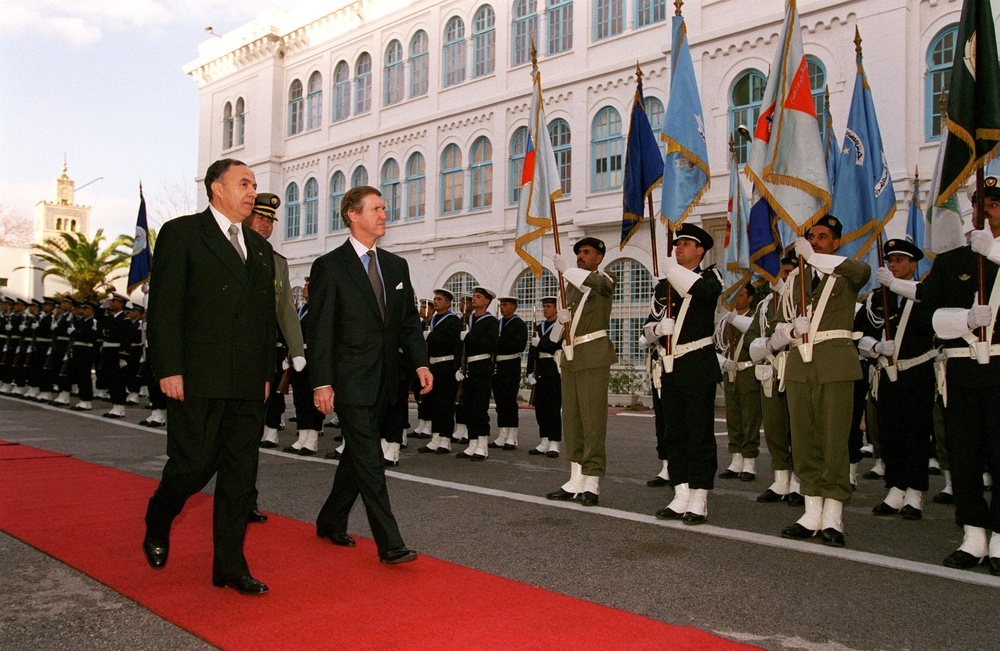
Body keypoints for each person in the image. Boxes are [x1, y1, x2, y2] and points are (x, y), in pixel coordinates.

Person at [142, 158, 276, 596]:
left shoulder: (258, 249)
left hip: (244, 382)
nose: (251, 191)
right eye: (243, 183)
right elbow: (165, 307)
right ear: (216, 188)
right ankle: (159, 519)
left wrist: (265, 374)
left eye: (254, 184)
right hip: (197, 376)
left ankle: (230, 566)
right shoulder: (183, 234)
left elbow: (263, 320)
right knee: (193, 465)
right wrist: (169, 368)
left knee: (240, 477)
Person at [308, 185, 431, 565]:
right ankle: (390, 542)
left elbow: (408, 322)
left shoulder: (396, 266)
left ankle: (330, 519)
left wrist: (421, 363)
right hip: (348, 380)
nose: (384, 215)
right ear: (352, 214)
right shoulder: (329, 266)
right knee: (370, 457)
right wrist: (322, 381)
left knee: (357, 457)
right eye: (376, 209)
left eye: (384, 208)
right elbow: (321, 329)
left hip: (387, 379)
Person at [773, 215, 870, 547]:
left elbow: (861, 272)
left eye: (823, 236)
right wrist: (789, 330)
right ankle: (811, 509)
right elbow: (776, 323)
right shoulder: (795, 282)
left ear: (836, 242)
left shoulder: (845, 273)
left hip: (835, 364)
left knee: (833, 439)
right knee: (803, 439)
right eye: (811, 237)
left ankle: (833, 515)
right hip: (800, 365)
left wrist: (814, 258)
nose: (815, 241)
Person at [920, 175, 1000, 573]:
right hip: (964, 368)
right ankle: (973, 533)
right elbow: (929, 315)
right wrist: (964, 319)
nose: (988, 212)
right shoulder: (954, 260)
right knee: (964, 454)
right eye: (983, 204)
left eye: (996, 205)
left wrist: (997, 253)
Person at [646, 224, 723, 524]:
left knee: (699, 433)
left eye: (686, 244)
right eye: (677, 244)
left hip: (697, 364)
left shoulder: (709, 277)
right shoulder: (663, 286)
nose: (678, 248)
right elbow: (647, 326)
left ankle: (699, 495)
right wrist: (656, 330)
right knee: (673, 432)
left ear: (700, 250)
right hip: (669, 365)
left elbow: (702, 293)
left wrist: (671, 272)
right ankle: (680, 493)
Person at [857, 239, 935, 520]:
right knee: (890, 433)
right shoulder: (877, 298)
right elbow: (859, 334)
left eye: (901, 260)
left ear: (914, 265)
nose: (894, 265)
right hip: (886, 373)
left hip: (917, 371)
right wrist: (875, 348)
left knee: (916, 433)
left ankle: (915, 493)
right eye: (890, 260)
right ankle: (895, 488)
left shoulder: (924, 293)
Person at [546, 237, 617, 506]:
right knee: (573, 421)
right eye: (578, 253)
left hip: (592, 356)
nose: (581, 256)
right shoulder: (572, 288)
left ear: (599, 257)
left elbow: (600, 286)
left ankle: (592, 481)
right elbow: (557, 335)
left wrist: (569, 271)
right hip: (571, 357)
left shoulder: (604, 278)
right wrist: (559, 322)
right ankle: (575, 477)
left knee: (593, 420)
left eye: (587, 252)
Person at [240, 193, 307, 454]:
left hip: (261, 354)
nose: (266, 224)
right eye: (260, 217)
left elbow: (286, 310)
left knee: (251, 426)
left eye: (271, 220)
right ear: (246, 217)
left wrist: (297, 349)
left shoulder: (278, 262)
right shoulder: (230, 251)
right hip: (228, 352)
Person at [748, 255, 804, 505]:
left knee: (801, 429)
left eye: (790, 271)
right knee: (775, 428)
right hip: (771, 371)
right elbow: (750, 336)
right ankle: (781, 477)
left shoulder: (803, 301)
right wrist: (762, 344)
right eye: (780, 272)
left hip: (798, 370)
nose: (784, 276)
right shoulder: (765, 305)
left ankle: (800, 481)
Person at [717, 281, 762, 482]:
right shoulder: (725, 321)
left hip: (749, 373)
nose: (738, 299)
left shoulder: (756, 320)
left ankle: (750, 461)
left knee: (750, 418)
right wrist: (723, 362)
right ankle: (736, 458)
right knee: (733, 417)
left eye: (742, 295)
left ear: (751, 298)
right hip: (731, 373)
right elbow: (718, 345)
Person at [455, 286, 499, 460]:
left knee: (480, 407)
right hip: (468, 368)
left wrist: (469, 337)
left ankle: (482, 444)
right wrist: (458, 367)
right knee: (469, 407)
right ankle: (472, 443)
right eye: (473, 296)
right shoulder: (468, 319)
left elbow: (491, 344)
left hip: (482, 367)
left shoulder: (491, 322)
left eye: (478, 297)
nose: (474, 299)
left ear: (487, 301)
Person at [417, 288, 462, 455]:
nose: (435, 302)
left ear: (448, 303)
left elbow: (450, 342)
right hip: (433, 365)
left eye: (439, 299)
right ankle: (435, 437)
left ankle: (445, 439)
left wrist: (430, 336)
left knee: (445, 404)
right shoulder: (434, 319)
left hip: (446, 365)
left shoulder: (453, 321)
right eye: (435, 299)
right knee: (433, 403)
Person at [526, 296, 562, 457]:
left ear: (556, 309)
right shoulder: (539, 327)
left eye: (548, 306)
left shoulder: (559, 327)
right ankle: (544, 440)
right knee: (540, 408)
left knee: (553, 407)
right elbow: (532, 353)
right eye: (544, 307)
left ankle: (554, 442)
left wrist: (540, 343)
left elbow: (555, 347)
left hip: (554, 370)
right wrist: (529, 372)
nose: (545, 309)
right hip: (540, 370)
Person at [490, 296, 528, 450]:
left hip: (510, 364)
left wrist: (499, 341)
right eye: (500, 305)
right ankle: (502, 434)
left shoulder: (518, 324)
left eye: (505, 305)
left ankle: (512, 435)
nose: (501, 308)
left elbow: (519, 345)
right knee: (500, 401)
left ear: (513, 307)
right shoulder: (498, 324)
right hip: (497, 364)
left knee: (509, 401)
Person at [99, 292, 132, 419]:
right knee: (110, 379)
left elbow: (126, 339)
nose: (111, 303)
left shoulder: (124, 320)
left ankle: (120, 407)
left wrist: (123, 356)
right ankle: (115, 405)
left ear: (120, 303)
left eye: (113, 301)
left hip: (116, 352)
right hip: (108, 352)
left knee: (118, 381)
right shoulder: (111, 318)